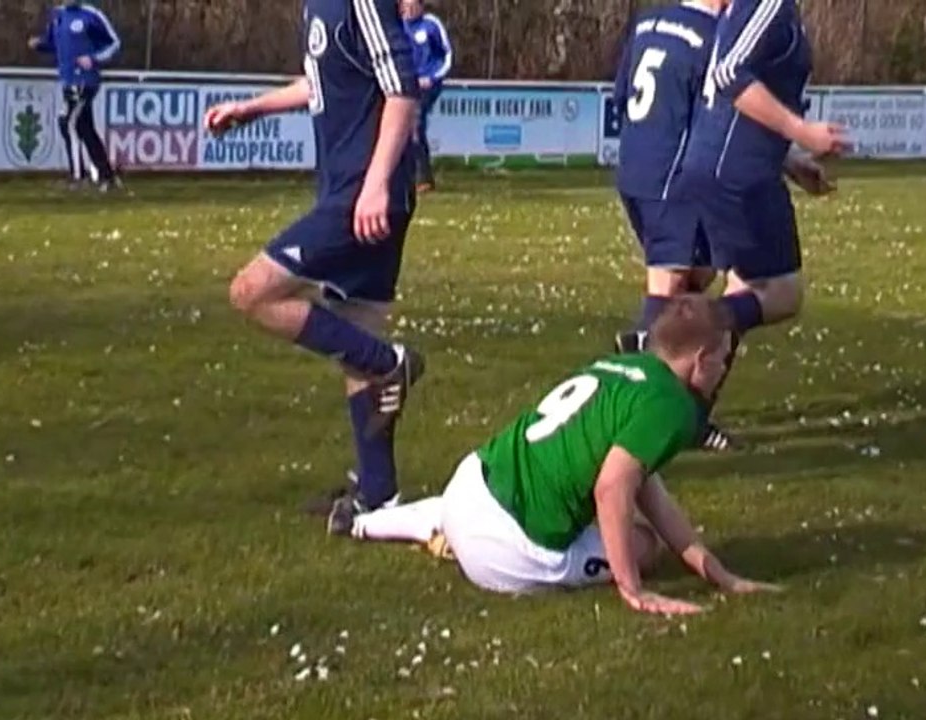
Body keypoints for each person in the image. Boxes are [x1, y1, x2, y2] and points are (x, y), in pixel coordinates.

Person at [330, 296, 780, 616]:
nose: (723, 369)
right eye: (721, 359)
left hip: (470, 483)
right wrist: (633, 589)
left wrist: (719, 573)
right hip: (505, 553)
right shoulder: (674, 407)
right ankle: (456, 544)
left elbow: (646, 488)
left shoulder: (630, 367)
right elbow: (613, 489)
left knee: (480, 504)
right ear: (700, 359)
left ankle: (363, 523)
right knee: (643, 545)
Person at [204, 0, 425, 515]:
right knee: (357, 325)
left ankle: (391, 365)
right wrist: (251, 108)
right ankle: (379, 493)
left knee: (252, 291)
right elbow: (322, 82)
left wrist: (374, 186)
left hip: (363, 195)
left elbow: (401, 89)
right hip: (348, 190)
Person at [674, 0, 848, 416]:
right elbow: (728, 75)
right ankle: (671, 335)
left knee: (741, 286)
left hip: (728, 164)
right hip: (735, 172)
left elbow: (724, 89)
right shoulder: (769, 3)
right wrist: (802, 131)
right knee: (782, 293)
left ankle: (691, 413)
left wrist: (788, 160)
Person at [610, 0, 730, 450]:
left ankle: (689, 413)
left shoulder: (648, 23)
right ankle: (636, 400)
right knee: (668, 287)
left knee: (699, 279)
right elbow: (719, 116)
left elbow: (622, 95)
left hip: (635, 170)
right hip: (673, 178)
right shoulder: (714, 38)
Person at [30, 1, 121, 191]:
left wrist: (94, 58)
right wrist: (39, 44)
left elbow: (114, 42)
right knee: (85, 128)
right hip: (67, 79)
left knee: (67, 122)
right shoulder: (58, 16)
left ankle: (78, 176)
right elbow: (53, 43)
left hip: (85, 80)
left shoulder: (90, 15)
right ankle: (106, 176)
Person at [400, 0, 452, 192]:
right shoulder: (397, 25)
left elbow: (446, 55)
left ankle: (424, 178)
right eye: (406, 6)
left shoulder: (431, 24)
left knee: (415, 122)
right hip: (406, 84)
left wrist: (432, 77)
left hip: (427, 86)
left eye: (413, 5)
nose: (409, 10)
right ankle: (405, 175)